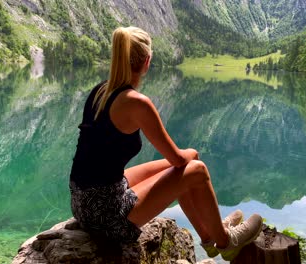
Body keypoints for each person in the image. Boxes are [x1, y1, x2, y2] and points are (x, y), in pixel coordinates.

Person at [69, 26, 263, 261]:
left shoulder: (100, 91)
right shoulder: (137, 103)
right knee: (196, 169)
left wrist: (188, 155)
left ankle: (209, 237)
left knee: (193, 156)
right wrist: (186, 156)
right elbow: (177, 160)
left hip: (83, 202)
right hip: (106, 215)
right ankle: (226, 241)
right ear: (147, 61)